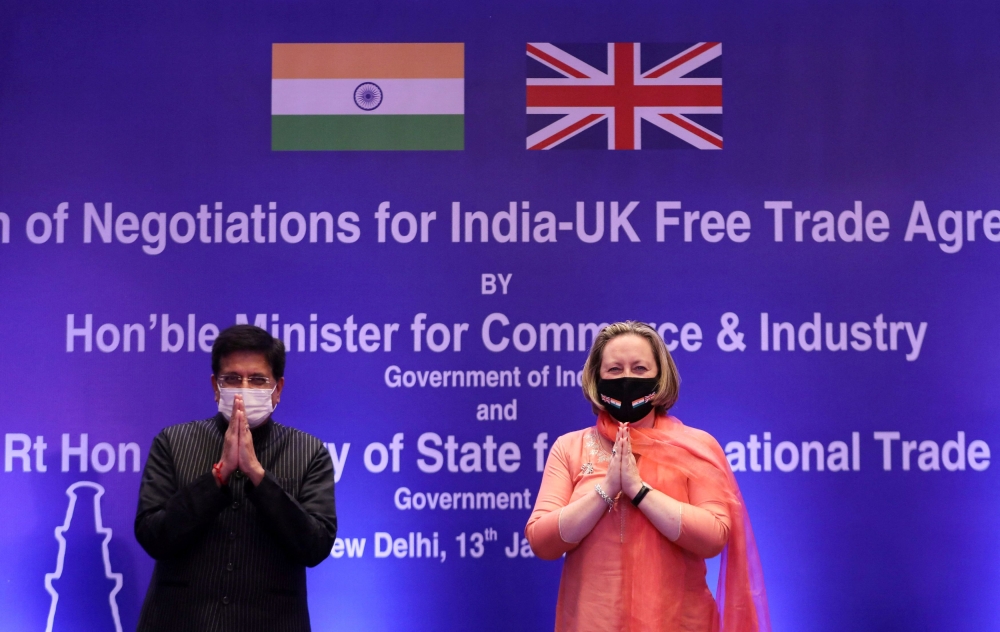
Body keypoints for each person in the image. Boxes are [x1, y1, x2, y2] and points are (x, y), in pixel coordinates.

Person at [525, 321, 769, 632]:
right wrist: (607, 489)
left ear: (660, 377)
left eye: (640, 369)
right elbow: (542, 542)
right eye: (614, 370)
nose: (627, 378)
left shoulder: (696, 448)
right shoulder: (569, 447)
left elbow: (714, 537)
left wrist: (639, 491)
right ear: (596, 379)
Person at [134, 324, 336, 632]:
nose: (243, 389)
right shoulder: (173, 442)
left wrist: (257, 474)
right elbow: (152, 536)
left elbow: (315, 546)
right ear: (216, 386)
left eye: (257, 380)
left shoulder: (309, 452)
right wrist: (217, 479)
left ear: (277, 389)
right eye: (232, 379)